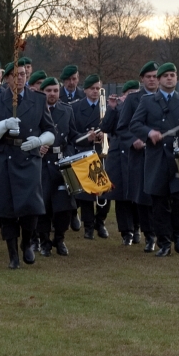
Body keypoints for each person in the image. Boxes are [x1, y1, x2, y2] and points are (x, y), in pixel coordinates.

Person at [129, 62, 179, 257]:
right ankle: (164, 242)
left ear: (176, 78)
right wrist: (150, 133)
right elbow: (135, 124)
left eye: (172, 75)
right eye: (165, 75)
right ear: (158, 80)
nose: (169, 78)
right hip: (157, 158)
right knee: (159, 201)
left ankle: (178, 233)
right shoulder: (148, 101)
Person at [0, 63, 56, 269]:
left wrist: (39, 141)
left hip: (28, 156)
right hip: (4, 156)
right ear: (7, 79)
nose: (20, 78)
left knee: (31, 206)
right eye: (15, 75)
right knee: (7, 209)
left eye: (23, 74)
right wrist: (3, 125)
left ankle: (27, 243)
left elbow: (50, 131)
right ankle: (12, 253)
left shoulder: (38, 100)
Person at [116, 61, 159, 252]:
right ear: (142, 79)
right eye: (148, 76)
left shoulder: (165, 98)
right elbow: (122, 127)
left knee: (160, 197)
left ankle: (165, 233)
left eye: (155, 76)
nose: (152, 80)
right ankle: (149, 235)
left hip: (160, 156)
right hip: (140, 156)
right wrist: (134, 140)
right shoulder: (133, 100)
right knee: (142, 198)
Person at [36, 77, 78, 256]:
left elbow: (73, 135)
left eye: (55, 90)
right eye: (48, 91)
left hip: (61, 162)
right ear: (42, 92)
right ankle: (44, 242)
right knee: (43, 205)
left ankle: (59, 239)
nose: (52, 94)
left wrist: (89, 137)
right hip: (42, 163)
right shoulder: (35, 110)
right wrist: (37, 145)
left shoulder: (66, 110)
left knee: (64, 206)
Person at [71, 74, 111, 239]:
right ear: (85, 90)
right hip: (85, 152)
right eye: (92, 88)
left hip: (102, 152)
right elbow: (72, 133)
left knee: (105, 190)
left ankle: (100, 222)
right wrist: (85, 136)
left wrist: (105, 136)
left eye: (98, 88)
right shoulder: (75, 108)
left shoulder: (107, 107)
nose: (95, 92)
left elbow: (114, 128)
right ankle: (88, 226)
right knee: (87, 192)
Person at [100, 81, 137, 246]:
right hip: (118, 154)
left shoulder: (143, 106)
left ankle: (138, 228)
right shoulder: (118, 108)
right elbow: (106, 127)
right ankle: (126, 231)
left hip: (136, 153)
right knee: (121, 195)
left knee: (137, 194)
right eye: (129, 93)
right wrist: (112, 108)